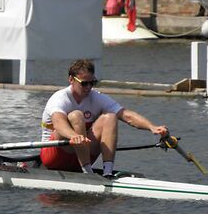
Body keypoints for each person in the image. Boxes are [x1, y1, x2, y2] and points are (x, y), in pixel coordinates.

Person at [40, 59, 168, 177]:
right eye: (84, 83)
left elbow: (126, 115)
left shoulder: (96, 97)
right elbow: (58, 123)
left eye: (92, 82)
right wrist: (73, 136)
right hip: (54, 156)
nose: (89, 87)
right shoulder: (60, 98)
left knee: (110, 117)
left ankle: (107, 172)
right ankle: (87, 173)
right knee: (76, 115)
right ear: (71, 80)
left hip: (83, 153)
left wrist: (152, 127)